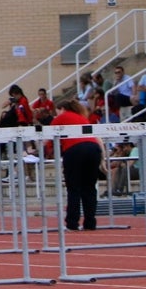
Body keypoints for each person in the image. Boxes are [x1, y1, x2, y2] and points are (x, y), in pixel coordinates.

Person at [50, 99, 103, 232]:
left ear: (61, 109)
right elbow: (97, 138)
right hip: (93, 149)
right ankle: (90, 223)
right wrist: (102, 158)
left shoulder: (61, 118)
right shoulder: (82, 117)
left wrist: (37, 151)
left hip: (74, 150)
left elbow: (48, 137)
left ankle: (72, 223)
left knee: (74, 188)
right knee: (90, 188)